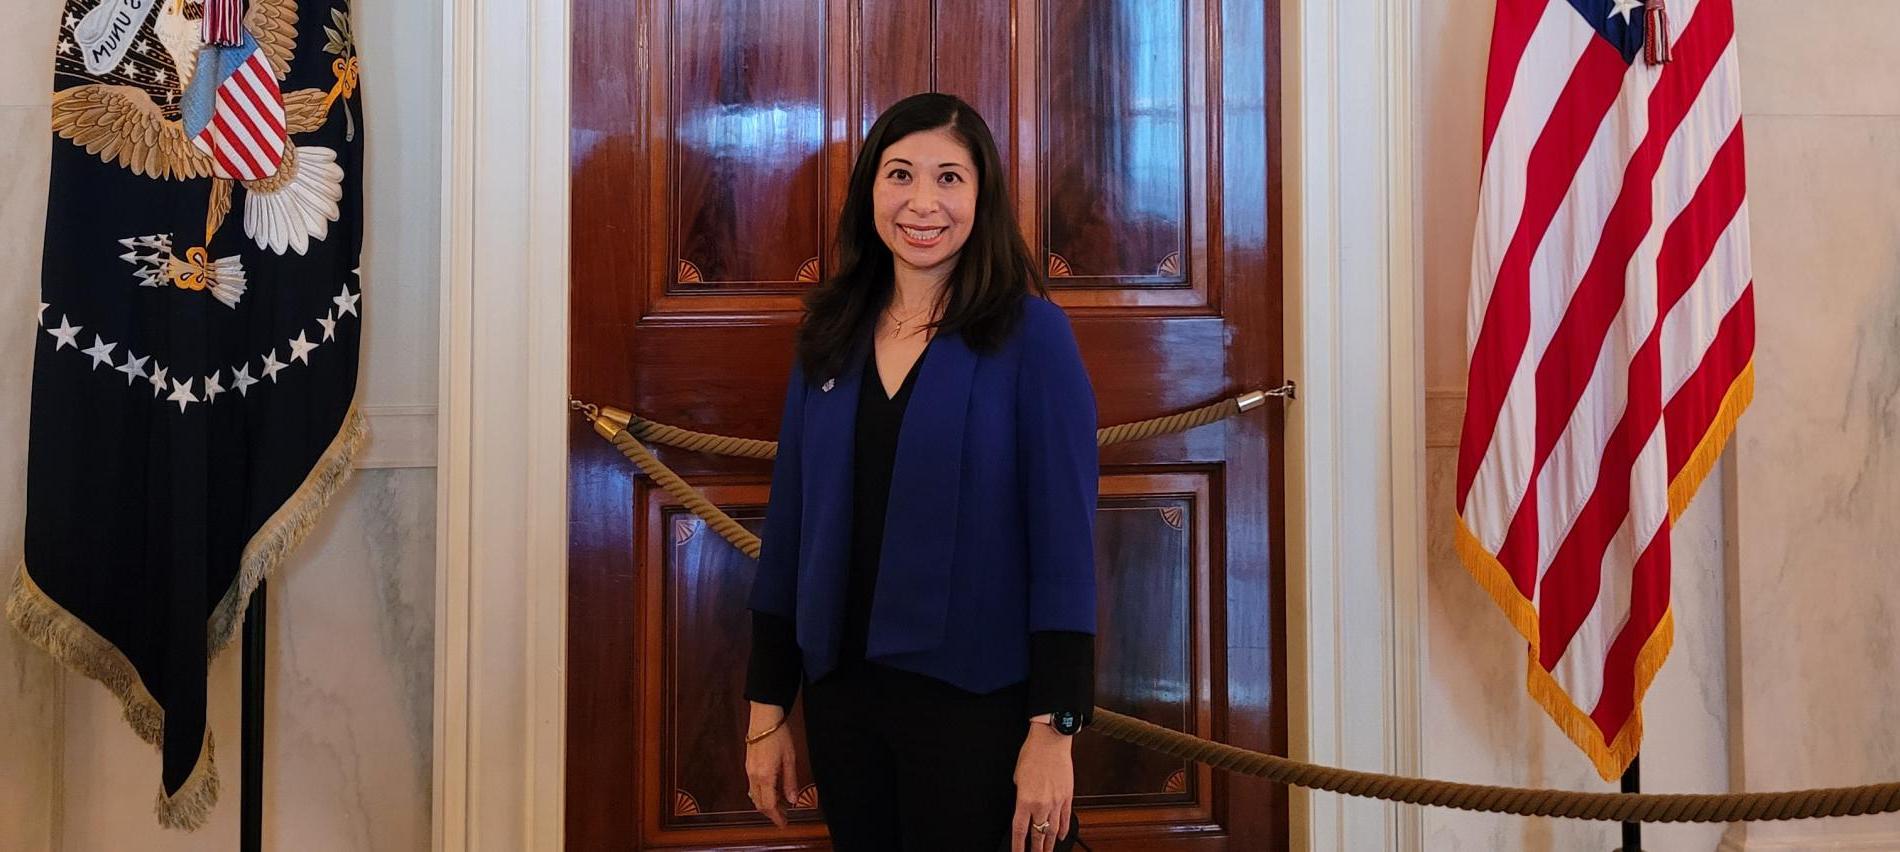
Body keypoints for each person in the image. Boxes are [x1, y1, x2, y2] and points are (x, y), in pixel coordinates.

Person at [741, 92, 1100, 852]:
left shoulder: (1032, 334)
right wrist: (767, 709)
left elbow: (1065, 543)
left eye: (949, 178)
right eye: (900, 174)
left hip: (977, 702)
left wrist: (1055, 730)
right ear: (871, 187)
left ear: (983, 196)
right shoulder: (831, 331)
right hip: (842, 698)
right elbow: (792, 526)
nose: (922, 202)